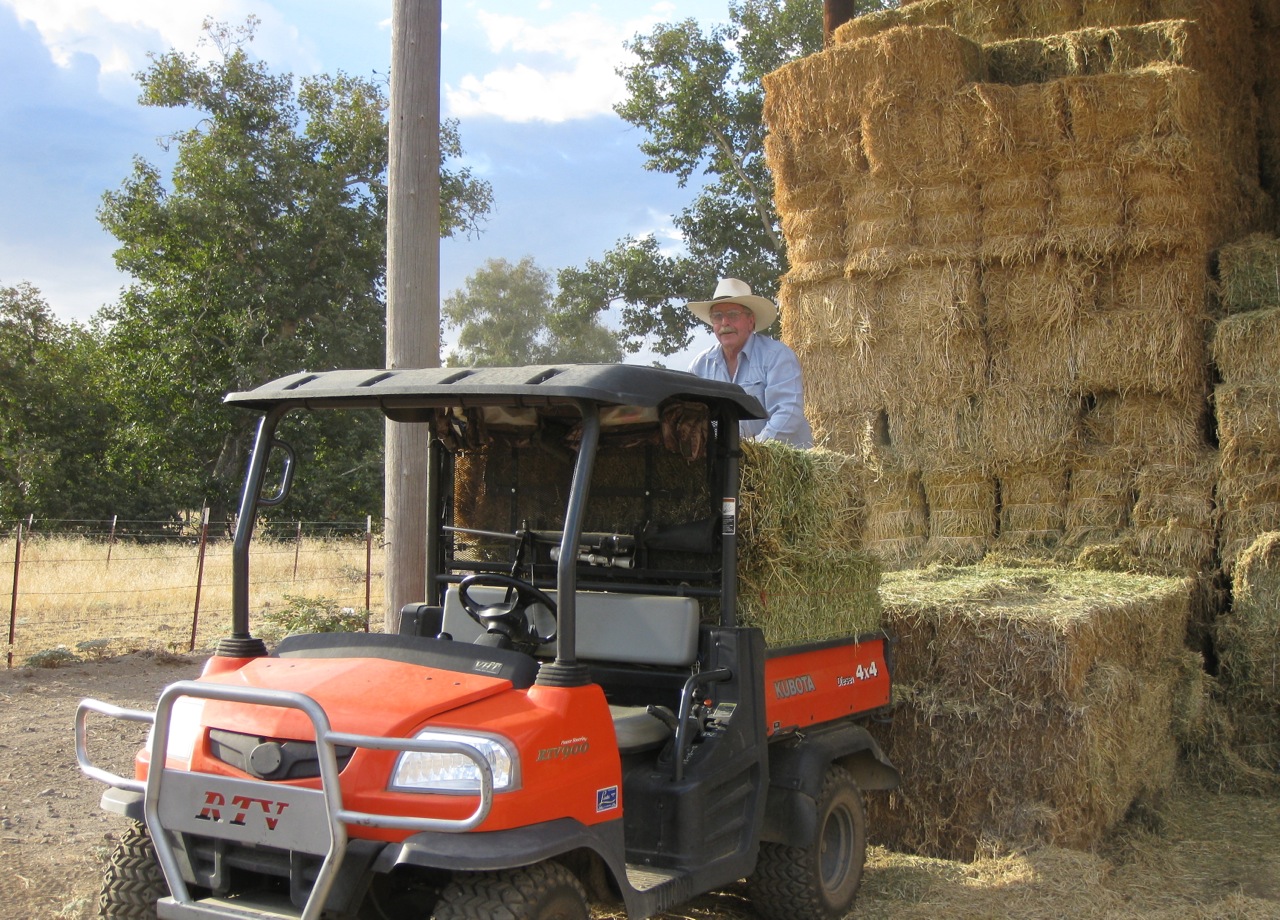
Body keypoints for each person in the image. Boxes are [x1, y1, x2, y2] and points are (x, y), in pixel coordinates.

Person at [686, 278, 813, 448]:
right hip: (729, 461)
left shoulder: (777, 356)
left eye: (733, 315)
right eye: (717, 316)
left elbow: (788, 412)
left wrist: (753, 453)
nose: (725, 323)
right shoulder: (699, 366)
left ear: (751, 321)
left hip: (784, 460)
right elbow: (693, 418)